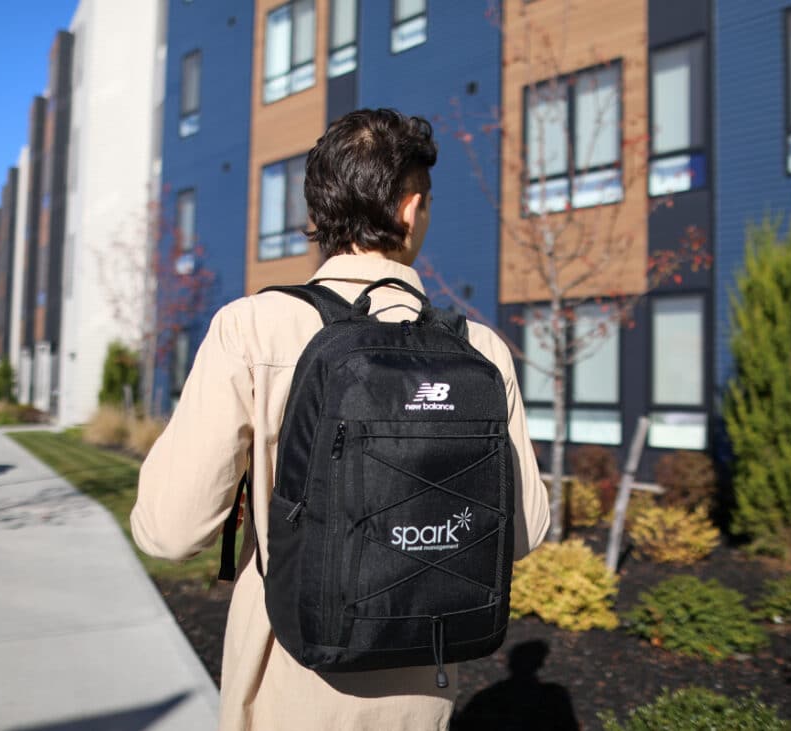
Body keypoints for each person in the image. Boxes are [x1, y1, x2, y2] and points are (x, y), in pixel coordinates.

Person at [130, 108, 551, 730]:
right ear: (411, 210)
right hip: (419, 689)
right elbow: (523, 532)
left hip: (287, 676)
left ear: (319, 215)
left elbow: (169, 530)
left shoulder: (252, 328)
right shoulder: (479, 350)